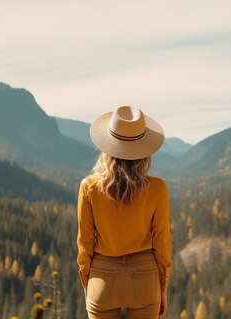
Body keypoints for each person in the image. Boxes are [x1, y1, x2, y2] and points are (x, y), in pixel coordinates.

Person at [77, 105, 172, 319]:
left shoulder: (89, 187)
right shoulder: (157, 189)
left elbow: (85, 244)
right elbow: (162, 244)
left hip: (102, 278)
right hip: (146, 281)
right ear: (144, 151)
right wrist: (162, 287)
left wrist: (87, 283)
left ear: (107, 146)